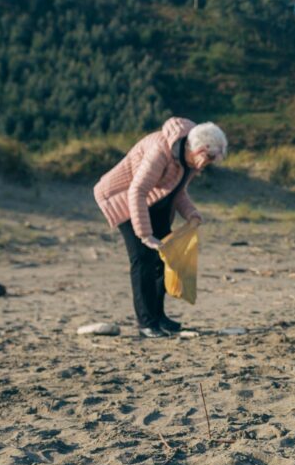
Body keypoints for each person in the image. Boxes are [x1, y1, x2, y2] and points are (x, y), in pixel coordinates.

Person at [94, 118, 227, 338]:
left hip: (155, 202)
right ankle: (146, 323)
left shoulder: (190, 160)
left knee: (163, 258)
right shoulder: (161, 150)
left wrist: (191, 213)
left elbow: (177, 191)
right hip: (124, 200)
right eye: (210, 158)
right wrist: (145, 235)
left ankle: (159, 316)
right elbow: (136, 191)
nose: (208, 164)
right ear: (200, 149)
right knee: (143, 259)